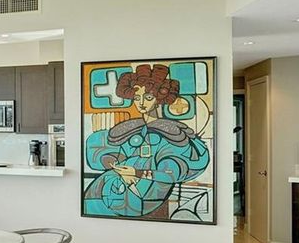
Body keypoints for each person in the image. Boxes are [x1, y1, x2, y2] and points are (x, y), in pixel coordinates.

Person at [84, 64, 210, 219]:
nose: (141, 103)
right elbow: (100, 153)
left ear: (159, 99)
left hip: (141, 200)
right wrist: (118, 167)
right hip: (104, 191)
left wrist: (137, 173)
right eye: (137, 97)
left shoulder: (173, 134)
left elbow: (172, 172)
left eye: (148, 97)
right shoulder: (129, 128)